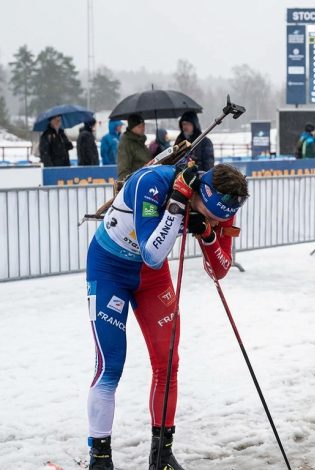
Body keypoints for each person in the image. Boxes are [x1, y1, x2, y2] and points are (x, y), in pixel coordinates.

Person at [85, 163, 249, 470]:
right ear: (201, 192)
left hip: (152, 278)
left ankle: (161, 456)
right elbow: (151, 252)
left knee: (168, 362)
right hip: (110, 269)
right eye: (212, 215)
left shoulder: (225, 200)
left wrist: (210, 236)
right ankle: (100, 458)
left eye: (222, 218)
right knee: (111, 365)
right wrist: (175, 207)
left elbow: (220, 270)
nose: (217, 221)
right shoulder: (152, 182)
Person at [117, 114, 152, 181]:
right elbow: (123, 168)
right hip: (136, 182)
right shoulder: (126, 143)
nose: (143, 128)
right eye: (139, 126)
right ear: (132, 128)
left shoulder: (140, 141)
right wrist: (124, 185)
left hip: (145, 179)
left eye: (143, 125)